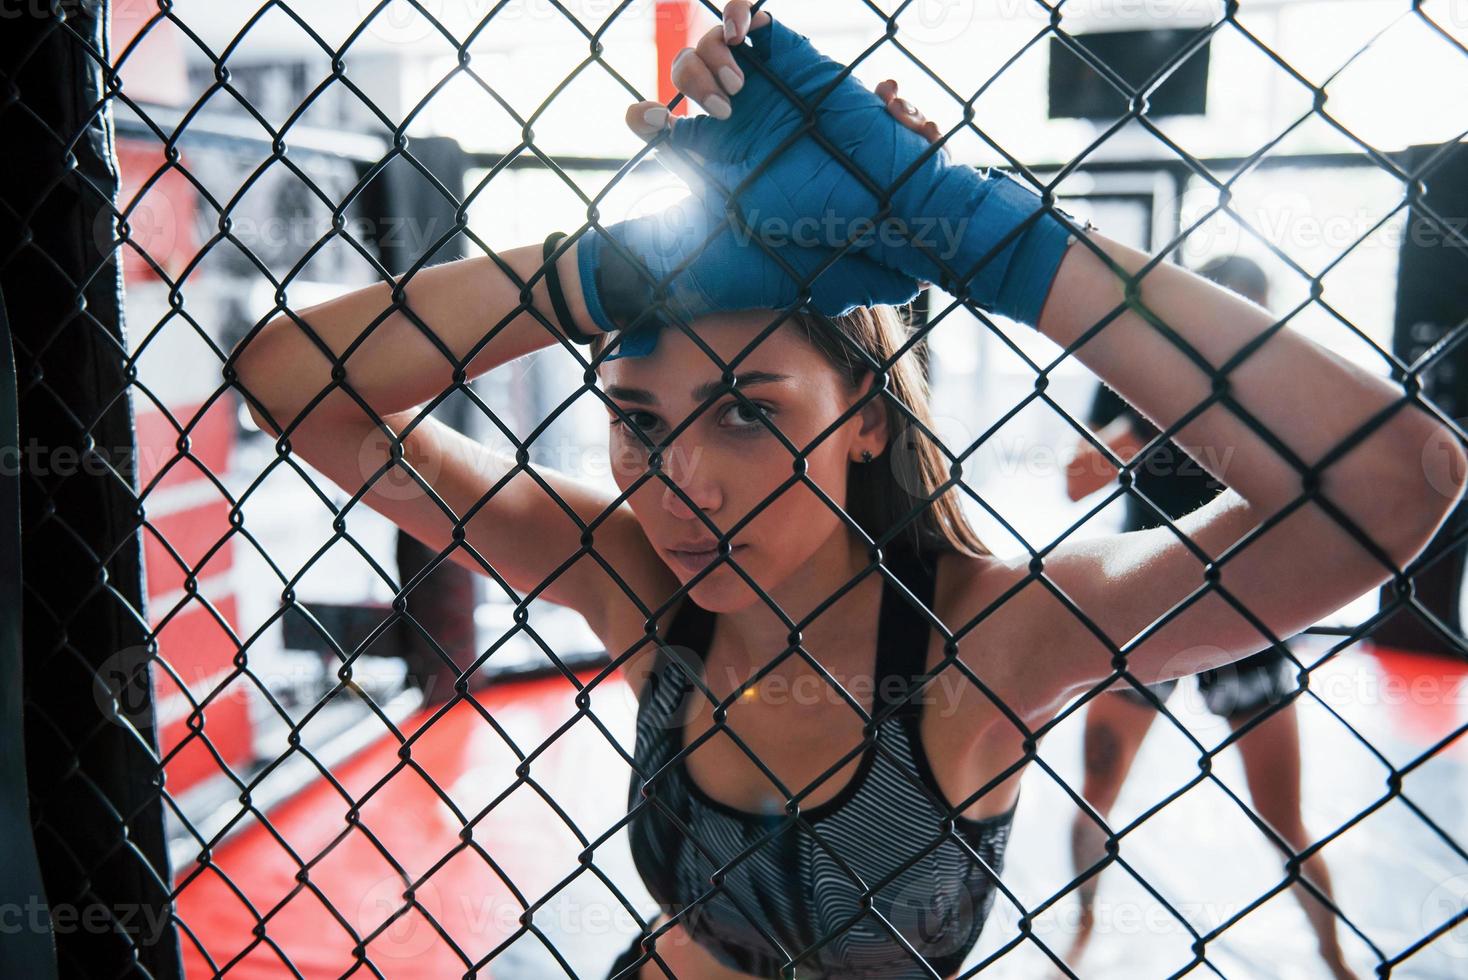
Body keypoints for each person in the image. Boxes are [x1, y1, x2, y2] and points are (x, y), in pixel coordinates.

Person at [228, 3, 1463, 976]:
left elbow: (1399, 479)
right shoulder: (629, 574)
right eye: (637, 419)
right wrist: (598, 266)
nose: (682, 484)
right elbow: (288, 383)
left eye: (750, 412)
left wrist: (976, 231)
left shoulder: (987, 636)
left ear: (865, 417)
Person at [1061, 259, 1358, 980]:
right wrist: (1156, 411)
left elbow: (1320, 500)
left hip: (1247, 610)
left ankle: (1337, 958)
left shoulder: (1279, 385)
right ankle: (1083, 923)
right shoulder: (1133, 371)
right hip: (1148, 605)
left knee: (1281, 815)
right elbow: (1075, 480)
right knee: (1096, 789)